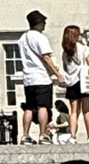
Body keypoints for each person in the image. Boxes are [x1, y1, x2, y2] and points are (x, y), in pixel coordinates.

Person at [16, 10, 61, 144]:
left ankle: (25, 135)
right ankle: (42, 135)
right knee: (43, 106)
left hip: (28, 78)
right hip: (41, 76)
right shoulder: (40, 37)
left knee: (29, 107)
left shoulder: (22, 39)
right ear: (38, 23)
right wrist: (57, 74)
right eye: (43, 22)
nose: (45, 24)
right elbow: (46, 57)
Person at [61, 25, 89, 141]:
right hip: (83, 81)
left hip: (72, 82)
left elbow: (65, 68)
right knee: (87, 111)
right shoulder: (83, 48)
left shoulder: (65, 52)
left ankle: (73, 136)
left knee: (74, 112)